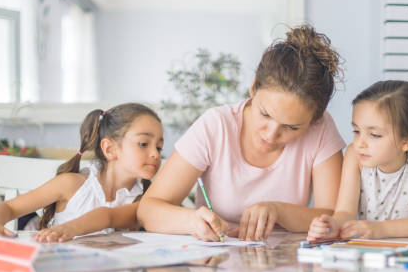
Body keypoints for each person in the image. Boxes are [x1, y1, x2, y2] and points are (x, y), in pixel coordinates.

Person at [139, 24, 346, 242]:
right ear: (253, 87)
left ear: (314, 119)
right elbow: (148, 211)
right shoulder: (216, 126)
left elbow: (332, 216)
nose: (271, 134)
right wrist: (191, 221)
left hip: (287, 266)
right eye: (265, 114)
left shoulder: (322, 129)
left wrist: (279, 211)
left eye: (291, 127)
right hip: (217, 264)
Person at [0, 103, 163, 242]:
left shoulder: (144, 199)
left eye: (160, 147)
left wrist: (70, 229)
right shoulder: (71, 184)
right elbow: (8, 208)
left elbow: (107, 216)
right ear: (110, 149)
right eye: (144, 144)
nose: (155, 154)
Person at [307, 80, 408, 241]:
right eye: (356, 131)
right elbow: (346, 212)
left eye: (374, 135)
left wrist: (382, 229)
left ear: (407, 141)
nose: (360, 143)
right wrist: (332, 225)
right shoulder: (354, 156)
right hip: (370, 255)